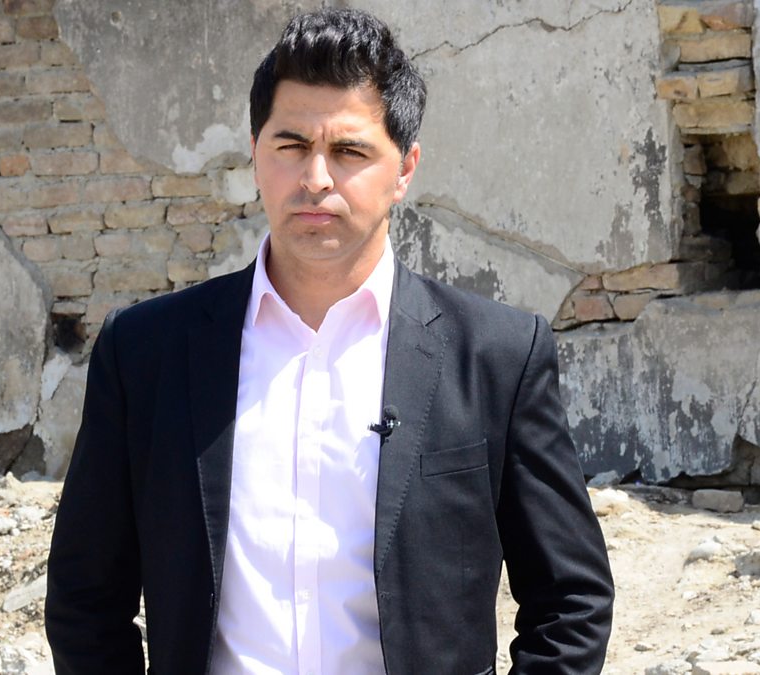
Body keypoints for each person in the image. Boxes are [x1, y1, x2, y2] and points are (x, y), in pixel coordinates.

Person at [45, 7, 613, 674]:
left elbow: (570, 601)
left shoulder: (496, 356)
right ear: (255, 155)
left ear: (405, 168)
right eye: (290, 146)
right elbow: (85, 599)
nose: (315, 178)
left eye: (349, 151)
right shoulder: (145, 353)